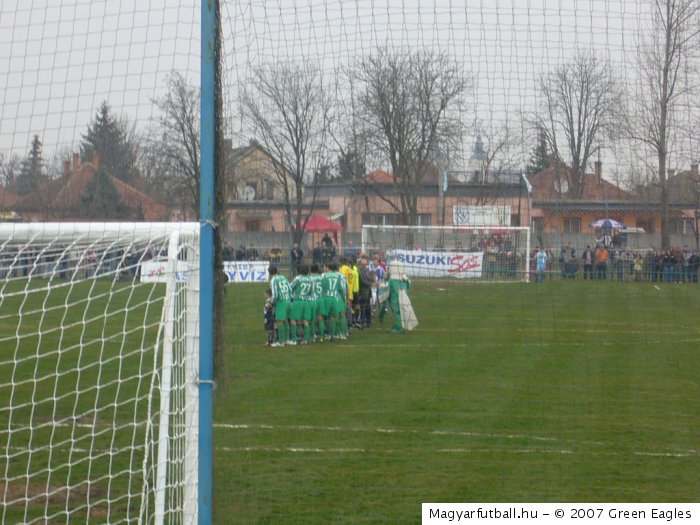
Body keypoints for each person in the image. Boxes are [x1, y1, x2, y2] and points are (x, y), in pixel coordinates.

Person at [379, 261, 417, 333]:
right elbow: (408, 286)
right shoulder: (405, 279)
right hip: (404, 297)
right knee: (401, 312)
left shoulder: (392, 280)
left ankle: (399, 327)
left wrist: (382, 288)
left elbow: (387, 287)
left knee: (397, 312)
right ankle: (397, 325)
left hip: (395, 299)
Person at [268, 265, 293, 347]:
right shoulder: (284, 277)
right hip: (288, 301)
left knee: (279, 321)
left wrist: (271, 302)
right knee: (285, 320)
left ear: (269, 273)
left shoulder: (273, 280)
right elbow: (290, 289)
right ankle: (287, 340)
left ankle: (281, 342)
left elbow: (275, 294)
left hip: (281, 302)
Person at [290, 264, 314, 344]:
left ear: (299, 271)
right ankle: (305, 339)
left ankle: (294, 339)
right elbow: (312, 292)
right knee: (305, 321)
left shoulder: (298, 278)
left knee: (293, 320)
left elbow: (290, 287)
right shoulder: (310, 279)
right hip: (307, 302)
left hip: (298, 301)